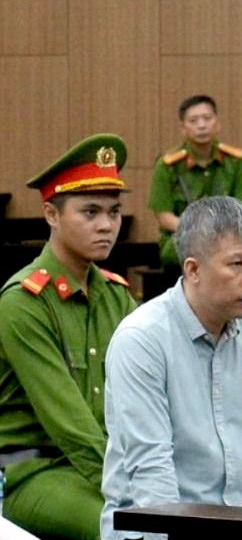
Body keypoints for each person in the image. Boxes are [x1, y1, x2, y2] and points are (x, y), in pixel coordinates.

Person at [101, 196, 242, 540]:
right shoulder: (142, 339)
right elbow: (151, 474)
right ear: (193, 270)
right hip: (151, 528)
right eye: (237, 264)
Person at [0, 134, 137, 540]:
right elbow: (70, 426)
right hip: (31, 472)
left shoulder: (117, 296)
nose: (106, 225)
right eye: (90, 212)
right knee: (125, 530)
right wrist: (136, 489)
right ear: (51, 214)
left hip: (104, 468)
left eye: (114, 212)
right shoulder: (23, 302)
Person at [148, 94, 242, 272]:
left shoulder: (236, 162)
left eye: (207, 118)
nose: (202, 125)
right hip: (183, 240)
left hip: (229, 239)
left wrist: (217, 236)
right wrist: (201, 235)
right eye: (193, 120)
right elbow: (164, 217)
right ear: (183, 128)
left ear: (217, 123)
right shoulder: (167, 166)